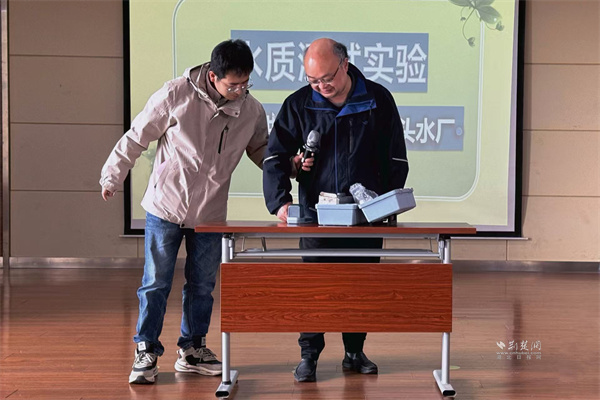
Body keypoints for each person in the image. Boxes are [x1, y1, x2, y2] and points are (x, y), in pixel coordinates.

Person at [100, 39, 269, 384]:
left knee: (202, 285)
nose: (240, 91)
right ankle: (146, 350)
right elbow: (137, 136)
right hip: (166, 206)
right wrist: (112, 175)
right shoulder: (175, 94)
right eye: (233, 85)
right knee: (155, 282)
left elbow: (262, 150)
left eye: (245, 83)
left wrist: (289, 169)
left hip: (210, 212)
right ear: (213, 75)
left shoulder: (251, 110)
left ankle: (192, 349)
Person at [262, 38, 409, 382]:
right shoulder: (299, 104)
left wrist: (386, 204)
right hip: (316, 216)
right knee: (315, 286)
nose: (321, 86)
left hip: (365, 216)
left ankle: (354, 352)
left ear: (345, 64)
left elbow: (395, 157)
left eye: (327, 78)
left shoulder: (377, 99)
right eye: (313, 80)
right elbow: (275, 156)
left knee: (360, 285)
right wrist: (280, 201)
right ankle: (309, 356)